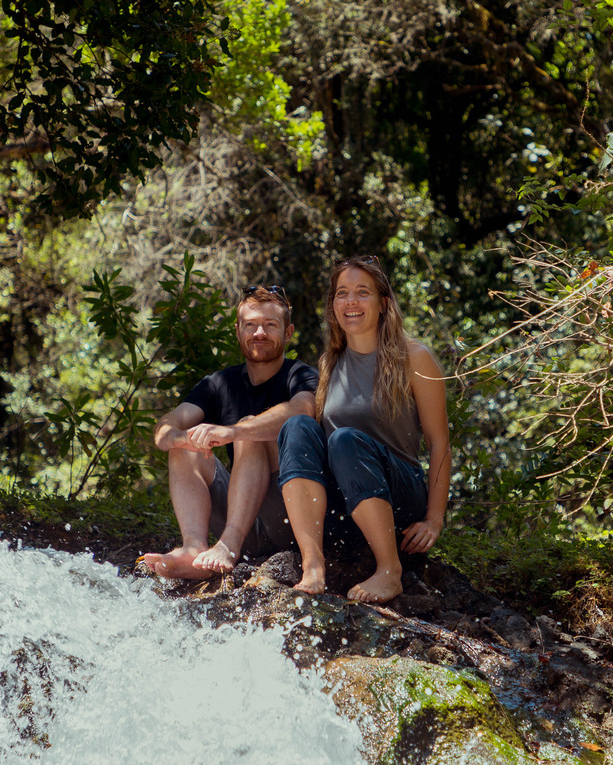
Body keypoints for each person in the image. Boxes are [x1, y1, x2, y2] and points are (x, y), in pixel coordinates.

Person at [278, 256, 451, 603]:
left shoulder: (413, 357)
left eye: (362, 292)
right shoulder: (330, 363)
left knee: (344, 440)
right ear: (333, 306)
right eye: (342, 293)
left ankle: (390, 571)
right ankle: (313, 564)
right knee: (297, 426)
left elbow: (439, 442)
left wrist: (434, 520)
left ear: (383, 303)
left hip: (400, 492)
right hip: (346, 501)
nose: (351, 302)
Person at [140, 285, 318, 579]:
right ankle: (194, 549)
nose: (259, 333)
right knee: (187, 443)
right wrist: (177, 437)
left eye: (270, 325)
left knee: (250, 429)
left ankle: (229, 546)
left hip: (289, 517)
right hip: (243, 511)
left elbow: (302, 410)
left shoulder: (301, 375)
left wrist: (234, 431)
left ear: (288, 333)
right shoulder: (220, 383)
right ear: (238, 331)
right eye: (250, 325)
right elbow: (168, 424)